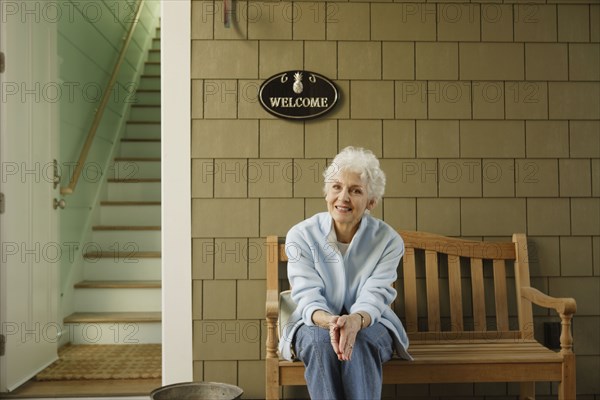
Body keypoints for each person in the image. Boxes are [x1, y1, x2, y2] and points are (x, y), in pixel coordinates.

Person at [280, 146, 411, 400]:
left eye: (356, 190)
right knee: (319, 343)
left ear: (371, 202)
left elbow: (376, 294)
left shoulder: (388, 240)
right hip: (314, 321)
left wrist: (355, 321)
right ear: (327, 192)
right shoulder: (301, 235)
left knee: (360, 341)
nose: (343, 197)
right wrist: (331, 322)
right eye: (337, 187)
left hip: (370, 321)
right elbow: (306, 294)